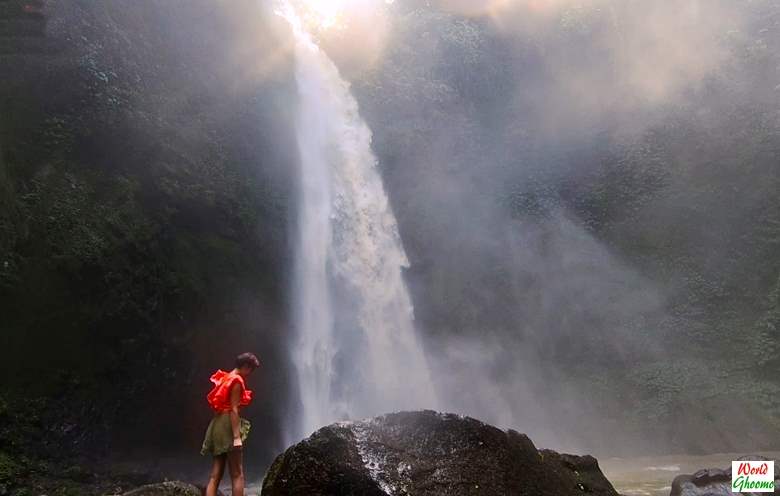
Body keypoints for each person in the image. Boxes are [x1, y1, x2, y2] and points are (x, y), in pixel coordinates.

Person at [201, 352, 260, 496]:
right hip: (228, 424)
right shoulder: (237, 381)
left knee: (215, 474)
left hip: (217, 424)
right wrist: (236, 437)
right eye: (251, 369)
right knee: (237, 474)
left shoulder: (224, 378)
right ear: (246, 366)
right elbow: (233, 409)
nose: (250, 374)